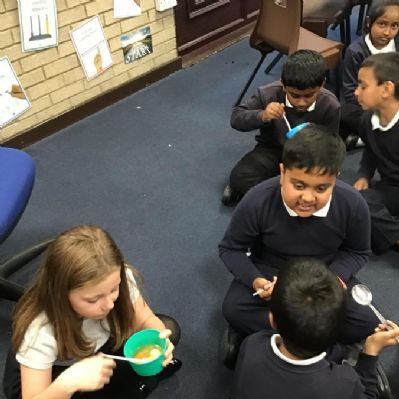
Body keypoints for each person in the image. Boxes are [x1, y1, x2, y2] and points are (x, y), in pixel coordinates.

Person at [219, 125, 379, 367]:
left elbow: (358, 252)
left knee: (365, 322)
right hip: (272, 272)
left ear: (335, 178)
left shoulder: (353, 204)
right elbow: (231, 249)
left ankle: (275, 341)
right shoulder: (257, 199)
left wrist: (335, 277)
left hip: (324, 275)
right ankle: (326, 350)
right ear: (283, 173)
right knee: (234, 308)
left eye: (321, 188)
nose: (307, 198)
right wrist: (256, 280)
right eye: (299, 185)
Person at [3, 225, 182, 399]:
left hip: (93, 347)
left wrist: (160, 342)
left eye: (114, 290)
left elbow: (145, 319)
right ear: (61, 294)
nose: (108, 305)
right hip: (52, 377)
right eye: (93, 299)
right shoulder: (40, 331)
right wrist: (68, 383)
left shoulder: (114, 278)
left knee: (169, 327)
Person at [231, 257, 399, 399]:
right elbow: (367, 394)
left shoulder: (251, 345)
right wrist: (370, 353)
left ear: (271, 319)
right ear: (339, 328)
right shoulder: (343, 382)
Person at [221, 49, 340, 205]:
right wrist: (262, 115)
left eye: (309, 95)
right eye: (295, 95)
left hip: (310, 155)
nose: (301, 103)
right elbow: (236, 119)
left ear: (321, 85)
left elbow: (331, 143)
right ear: (283, 85)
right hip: (273, 149)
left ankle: (269, 196)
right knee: (241, 176)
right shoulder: (267, 94)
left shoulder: (331, 104)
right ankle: (284, 197)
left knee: (329, 189)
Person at [353, 52, 399, 254]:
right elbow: (371, 152)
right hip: (391, 187)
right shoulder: (367, 120)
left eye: (363, 86)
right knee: (356, 202)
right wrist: (364, 174)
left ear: (387, 89)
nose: (356, 92)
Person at [341, 0, 399, 150]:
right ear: (369, 22)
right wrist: (377, 105)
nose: (387, 32)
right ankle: (376, 138)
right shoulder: (355, 52)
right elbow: (349, 92)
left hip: (394, 105)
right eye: (382, 24)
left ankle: (367, 140)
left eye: (395, 26)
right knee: (346, 114)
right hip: (367, 107)